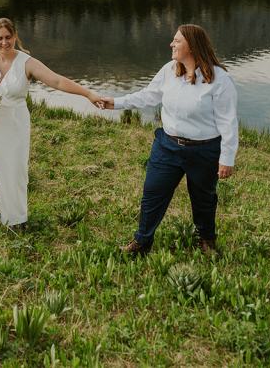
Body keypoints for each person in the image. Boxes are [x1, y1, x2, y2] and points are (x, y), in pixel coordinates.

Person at [99, 24, 238, 255]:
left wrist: (227, 158)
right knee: (153, 193)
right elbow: (148, 96)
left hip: (204, 151)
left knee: (204, 198)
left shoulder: (220, 80)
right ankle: (142, 242)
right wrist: (115, 103)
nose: (171, 44)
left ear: (192, 46)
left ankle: (206, 240)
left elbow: (228, 122)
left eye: (176, 41)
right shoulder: (169, 70)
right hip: (168, 147)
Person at [0, 17, 103, 228]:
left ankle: (15, 219)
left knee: (13, 172)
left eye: (8, 37)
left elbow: (56, 80)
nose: (4, 42)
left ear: (15, 36)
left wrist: (88, 94)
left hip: (13, 123)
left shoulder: (25, 63)